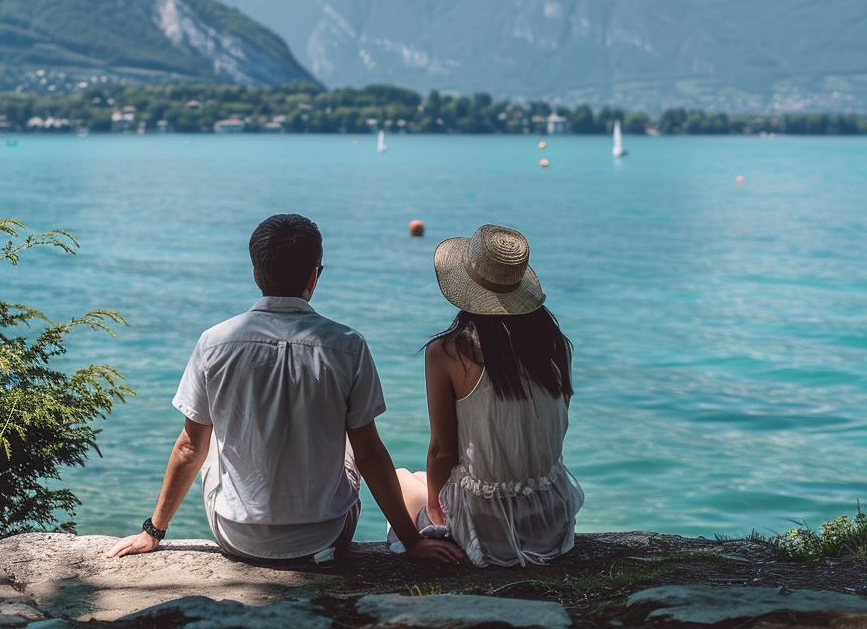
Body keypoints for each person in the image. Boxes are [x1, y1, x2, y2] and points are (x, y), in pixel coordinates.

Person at [107, 213, 462, 565]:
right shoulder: (348, 345)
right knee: (353, 445)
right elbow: (370, 455)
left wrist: (152, 531)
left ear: (255, 272)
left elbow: (188, 447)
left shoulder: (213, 343)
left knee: (208, 435)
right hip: (326, 538)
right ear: (314, 275)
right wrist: (412, 541)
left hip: (236, 536)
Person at [394, 223, 583, 567]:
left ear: (467, 286)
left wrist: (437, 508)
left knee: (402, 480)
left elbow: (442, 451)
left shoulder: (448, 351)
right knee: (421, 482)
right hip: (549, 516)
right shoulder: (555, 344)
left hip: (484, 527)